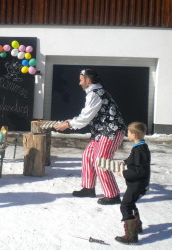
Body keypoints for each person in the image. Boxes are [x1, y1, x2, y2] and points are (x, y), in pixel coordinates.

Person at [54, 69, 126, 205]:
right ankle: (88, 188)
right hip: (101, 132)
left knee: (101, 162)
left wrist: (69, 125)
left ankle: (113, 195)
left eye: (81, 80)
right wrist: (71, 121)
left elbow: (86, 117)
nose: (79, 83)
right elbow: (87, 115)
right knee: (88, 156)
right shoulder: (95, 93)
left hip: (110, 132)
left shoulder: (95, 94)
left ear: (88, 80)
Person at [115, 122, 150, 244]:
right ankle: (137, 228)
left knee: (125, 205)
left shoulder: (139, 150)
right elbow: (133, 160)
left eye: (128, 133)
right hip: (138, 184)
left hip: (137, 184)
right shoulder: (140, 146)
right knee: (131, 203)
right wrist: (124, 162)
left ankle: (131, 236)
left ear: (134, 134)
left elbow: (139, 171)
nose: (126, 134)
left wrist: (123, 173)